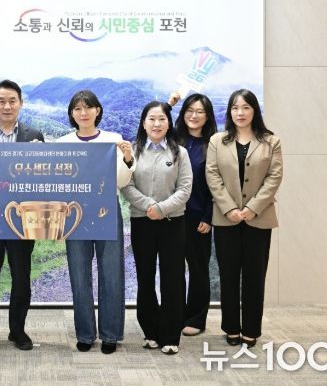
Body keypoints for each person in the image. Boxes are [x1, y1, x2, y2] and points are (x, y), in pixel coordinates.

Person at [56, 90, 135, 354]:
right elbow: (56, 181)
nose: (83, 113)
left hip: (106, 209)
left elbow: (121, 181)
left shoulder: (113, 139)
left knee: (111, 273)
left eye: (88, 107)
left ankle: (110, 334)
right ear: (72, 114)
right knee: (79, 274)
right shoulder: (63, 143)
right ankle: (85, 333)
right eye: (77, 109)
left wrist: (127, 159)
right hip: (74, 212)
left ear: (97, 110)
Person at [205, 89, 283, 348]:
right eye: (235, 108)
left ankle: (251, 329)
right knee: (228, 275)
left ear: (254, 111)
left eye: (246, 107)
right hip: (226, 218)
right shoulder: (217, 141)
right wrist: (229, 208)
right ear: (230, 112)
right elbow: (212, 175)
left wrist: (252, 208)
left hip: (258, 218)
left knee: (255, 275)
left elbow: (274, 177)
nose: (240, 112)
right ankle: (231, 327)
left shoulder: (271, 141)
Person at [0, 79, 44, 351]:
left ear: (21, 103)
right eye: (1, 101)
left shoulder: (34, 136)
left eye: (12, 101)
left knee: (21, 277)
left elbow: (42, 176)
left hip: (23, 218)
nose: (7, 106)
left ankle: (18, 331)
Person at [122, 101, 192, 355]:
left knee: (173, 278)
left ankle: (171, 334)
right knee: (145, 276)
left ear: (169, 123)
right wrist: (149, 206)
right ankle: (150, 331)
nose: (157, 123)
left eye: (162, 119)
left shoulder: (179, 153)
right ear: (143, 123)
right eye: (151, 119)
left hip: (173, 222)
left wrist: (161, 209)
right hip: (142, 222)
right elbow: (126, 185)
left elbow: (185, 189)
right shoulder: (133, 151)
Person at [168, 92, 217, 337]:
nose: (194, 116)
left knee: (198, 269)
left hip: (198, 216)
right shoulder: (173, 140)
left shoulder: (213, 145)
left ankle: (197, 318)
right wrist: (169, 105)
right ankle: (176, 314)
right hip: (172, 215)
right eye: (189, 110)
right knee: (174, 268)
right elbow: (151, 124)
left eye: (199, 112)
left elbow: (218, 185)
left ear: (207, 116)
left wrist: (209, 217)